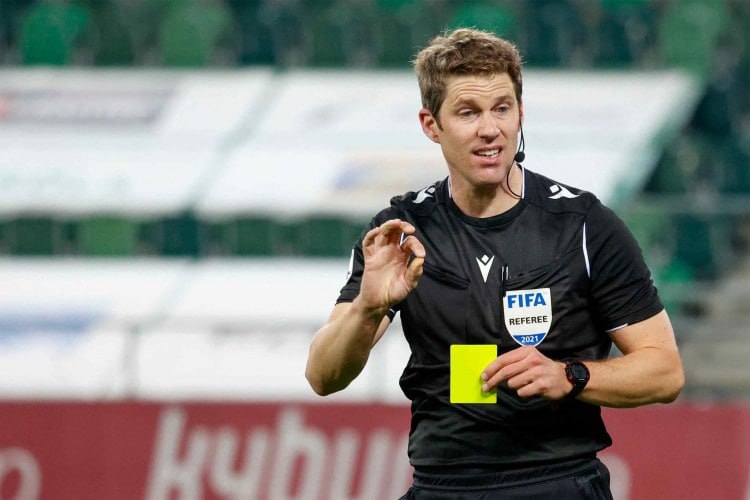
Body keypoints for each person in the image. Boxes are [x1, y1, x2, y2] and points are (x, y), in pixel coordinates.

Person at [305, 28, 684, 499]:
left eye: (502, 108)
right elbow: (323, 376)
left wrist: (570, 375)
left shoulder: (585, 225)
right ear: (431, 124)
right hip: (440, 486)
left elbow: (665, 371)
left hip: (557, 482)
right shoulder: (400, 232)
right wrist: (367, 307)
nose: (490, 129)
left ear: (520, 113)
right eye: (468, 112)